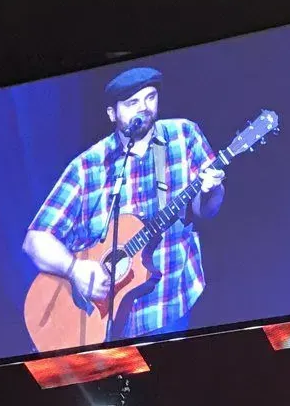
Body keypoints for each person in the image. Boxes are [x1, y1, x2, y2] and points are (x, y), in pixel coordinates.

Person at [23, 67, 226, 339]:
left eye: (150, 98)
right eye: (132, 103)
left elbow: (206, 210)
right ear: (112, 113)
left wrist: (213, 190)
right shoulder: (87, 167)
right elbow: (35, 240)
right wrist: (75, 270)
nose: (144, 109)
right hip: (102, 320)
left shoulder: (184, 135)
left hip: (170, 303)